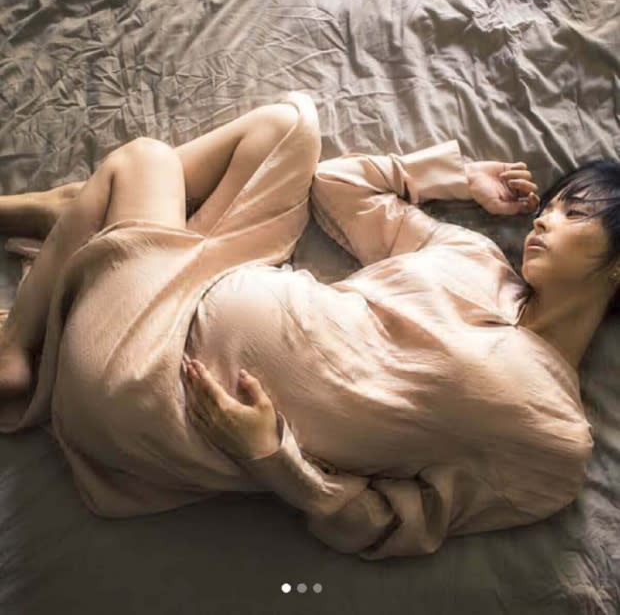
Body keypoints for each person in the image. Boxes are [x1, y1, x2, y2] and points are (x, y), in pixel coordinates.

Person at [0, 91, 618, 560]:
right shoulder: (475, 257)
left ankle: (20, 339)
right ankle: (81, 215)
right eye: (549, 206)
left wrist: (271, 455)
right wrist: (456, 178)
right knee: (289, 124)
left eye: (574, 213)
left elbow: (387, 524)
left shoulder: (554, 445)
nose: (542, 219)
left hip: (156, 384)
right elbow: (338, 184)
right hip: (209, 277)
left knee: (145, 161)